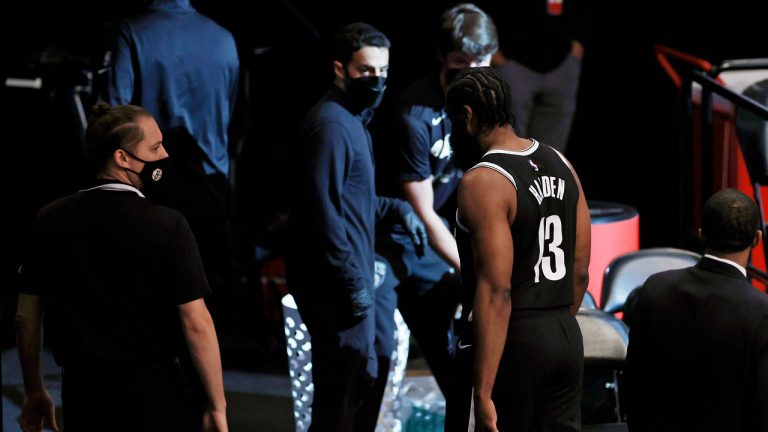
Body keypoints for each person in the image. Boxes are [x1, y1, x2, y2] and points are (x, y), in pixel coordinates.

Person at [15, 103, 227, 432]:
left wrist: (33, 389)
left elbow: (26, 316)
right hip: (157, 397)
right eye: (155, 147)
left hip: (83, 397)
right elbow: (196, 322)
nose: (164, 155)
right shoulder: (169, 225)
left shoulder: (48, 220)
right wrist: (217, 406)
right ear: (122, 157)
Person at [286, 22, 425, 432]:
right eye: (366, 70)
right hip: (334, 285)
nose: (377, 80)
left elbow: (351, 201)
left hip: (350, 276)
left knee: (365, 371)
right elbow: (321, 212)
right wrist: (351, 281)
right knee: (342, 386)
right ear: (340, 69)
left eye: (382, 71)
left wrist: (396, 210)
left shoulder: (352, 122)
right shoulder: (330, 127)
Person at [371, 2, 498, 426]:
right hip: (404, 238)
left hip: (450, 229)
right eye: (461, 63)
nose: (471, 71)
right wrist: (474, 268)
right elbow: (422, 212)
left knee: (474, 361)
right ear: (443, 58)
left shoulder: (485, 101)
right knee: (436, 352)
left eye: (479, 62)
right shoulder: (414, 115)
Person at [445, 67, 591, 431]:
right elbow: (579, 268)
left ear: (466, 116)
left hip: (513, 341)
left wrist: (482, 393)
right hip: (565, 335)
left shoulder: (483, 180)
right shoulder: (563, 162)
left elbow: (497, 290)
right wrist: (554, 322)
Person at [106, 0, 240, 328]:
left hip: (152, 182)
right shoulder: (224, 39)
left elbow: (114, 119)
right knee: (200, 307)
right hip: (210, 183)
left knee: (146, 301)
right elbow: (233, 115)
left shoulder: (132, 31)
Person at [624, 188, 768, 431]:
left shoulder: (654, 288)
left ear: (702, 234)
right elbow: (761, 412)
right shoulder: (760, 311)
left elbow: (633, 384)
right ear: (757, 239)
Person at [480, 0, 588, 152]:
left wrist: (578, 40)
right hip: (512, 61)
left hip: (561, 60)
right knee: (508, 144)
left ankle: (544, 175)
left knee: (551, 151)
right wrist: (493, 51)